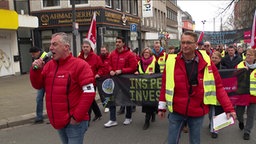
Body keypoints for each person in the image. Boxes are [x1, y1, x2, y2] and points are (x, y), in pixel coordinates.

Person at [158, 31, 236, 144]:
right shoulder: (171, 61)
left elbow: (218, 87)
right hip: (176, 110)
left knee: (195, 141)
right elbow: (165, 85)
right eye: (183, 42)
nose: (185, 45)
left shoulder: (207, 62)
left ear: (196, 44)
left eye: (188, 42)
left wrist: (229, 108)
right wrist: (162, 107)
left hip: (197, 111)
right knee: (172, 141)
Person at [30, 32, 95, 144]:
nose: (50, 48)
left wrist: (76, 117)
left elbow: (89, 92)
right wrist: (36, 70)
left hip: (75, 122)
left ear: (66, 47)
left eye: (55, 44)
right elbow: (38, 85)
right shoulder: (49, 66)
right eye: (50, 44)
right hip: (58, 120)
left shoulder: (80, 65)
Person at [104, 36, 137, 128]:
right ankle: (112, 119)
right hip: (114, 80)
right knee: (111, 99)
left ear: (123, 44)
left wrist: (122, 71)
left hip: (125, 80)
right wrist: (110, 70)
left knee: (126, 98)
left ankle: (128, 117)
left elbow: (133, 67)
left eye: (119, 42)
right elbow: (109, 64)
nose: (117, 43)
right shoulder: (112, 54)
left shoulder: (130, 54)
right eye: (116, 42)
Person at [78, 39, 107, 122]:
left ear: (90, 47)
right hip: (82, 82)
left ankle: (87, 119)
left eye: (87, 47)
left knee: (88, 100)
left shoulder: (95, 57)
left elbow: (102, 67)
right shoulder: (79, 58)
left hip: (92, 82)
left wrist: (98, 74)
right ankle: (98, 114)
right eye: (84, 47)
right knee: (91, 100)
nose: (85, 48)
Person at [134, 47, 160, 130]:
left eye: (148, 52)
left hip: (152, 87)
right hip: (143, 86)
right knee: (146, 103)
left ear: (150, 54)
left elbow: (159, 73)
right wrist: (136, 72)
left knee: (149, 104)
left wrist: (154, 73)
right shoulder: (139, 62)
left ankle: (147, 121)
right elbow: (136, 70)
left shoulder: (154, 62)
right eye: (145, 52)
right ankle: (152, 114)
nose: (146, 54)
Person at [235, 49, 256, 140]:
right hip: (241, 94)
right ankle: (241, 121)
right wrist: (242, 72)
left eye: (250, 55)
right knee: (239, 113)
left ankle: (247, 131)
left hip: (253, 96)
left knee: (251, 115)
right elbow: (233, 77)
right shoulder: (240, 65)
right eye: (247, 55)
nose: (248, 57)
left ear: (254, 57)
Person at [29, 46, 49, 124]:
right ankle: (39, 117)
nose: (32, 56)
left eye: (33, 54)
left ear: (38, 52)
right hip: (41, 82)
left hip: (47, 82)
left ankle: (50, 116)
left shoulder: (46, 57)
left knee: (49, 99)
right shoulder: (38, 58)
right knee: (39, 99)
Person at [209, 51, 226, 138]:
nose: (214, 59)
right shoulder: (207, 67)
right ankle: (211, 123)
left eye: (216, 58)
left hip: (219, 93)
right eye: (213, 57)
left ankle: (215, 130)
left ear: (220, 59)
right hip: (209, 93)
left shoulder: (224, 69)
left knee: (217, 112)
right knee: (210, 112)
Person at [99, 46, 111, 113]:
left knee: (107, 93)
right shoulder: (99, 58)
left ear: (106, 51)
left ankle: (107, 105)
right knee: (102, 93)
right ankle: (106, 105)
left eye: (104, 50)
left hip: (108, 78)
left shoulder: (109, 58)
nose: (103, 52)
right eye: (101, 51)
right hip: (101, 78)